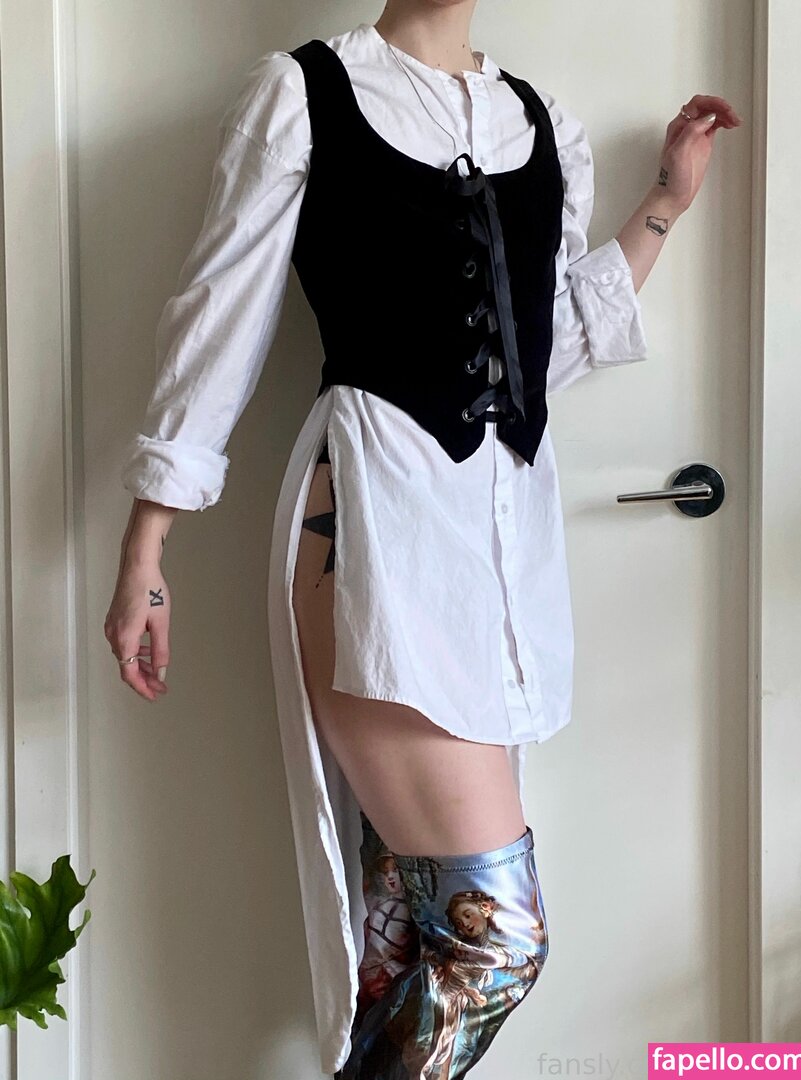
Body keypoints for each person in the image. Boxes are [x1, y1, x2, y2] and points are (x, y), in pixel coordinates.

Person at [105, 2, 741, 1076]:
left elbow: (543, 348)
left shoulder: (542, 122)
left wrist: (663, 207)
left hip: (500, 557)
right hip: (372, 523)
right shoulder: (303, 94)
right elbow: (218, 320)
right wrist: (145, 550)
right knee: (496, 942)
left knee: (404, 943)